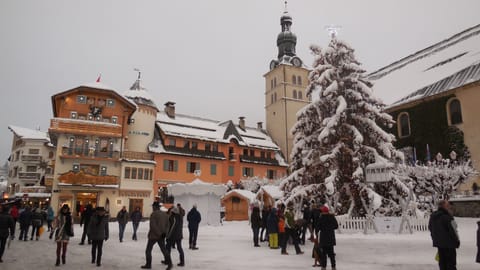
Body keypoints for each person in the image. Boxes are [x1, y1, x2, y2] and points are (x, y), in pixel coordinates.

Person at [428, 200, 460, 270]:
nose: (449, 206)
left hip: (439, 244)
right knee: (451, 264)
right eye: (448, 205)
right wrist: (457, 241)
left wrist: (435, 238)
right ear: (444, 206)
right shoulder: (447, 217)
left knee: (442, 263)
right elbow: (453, 230)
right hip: (449, 245)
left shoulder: (433, 217)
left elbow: (430, 228)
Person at [141, 202, 172, 270]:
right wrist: (164, 233)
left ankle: (148, 264)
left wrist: (159, 233)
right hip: (162, 236)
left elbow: (153, 226)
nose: (152, 208)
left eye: (153, 207)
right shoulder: (165, 214)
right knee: (164, 250)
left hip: (154, 236)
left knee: (148, 250)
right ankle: (170, 263)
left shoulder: (154, 214)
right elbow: (168, 225)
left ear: (155, 207)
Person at [317, 205, 338, 270]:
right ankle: (333, 267)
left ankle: (323, 267)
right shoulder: (332, 217)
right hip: (331, 238)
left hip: (323, 239)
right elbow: (336, 226)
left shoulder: (321, 218)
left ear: (322, 212)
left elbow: (318, 227)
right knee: (331, 254)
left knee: (324, 254)